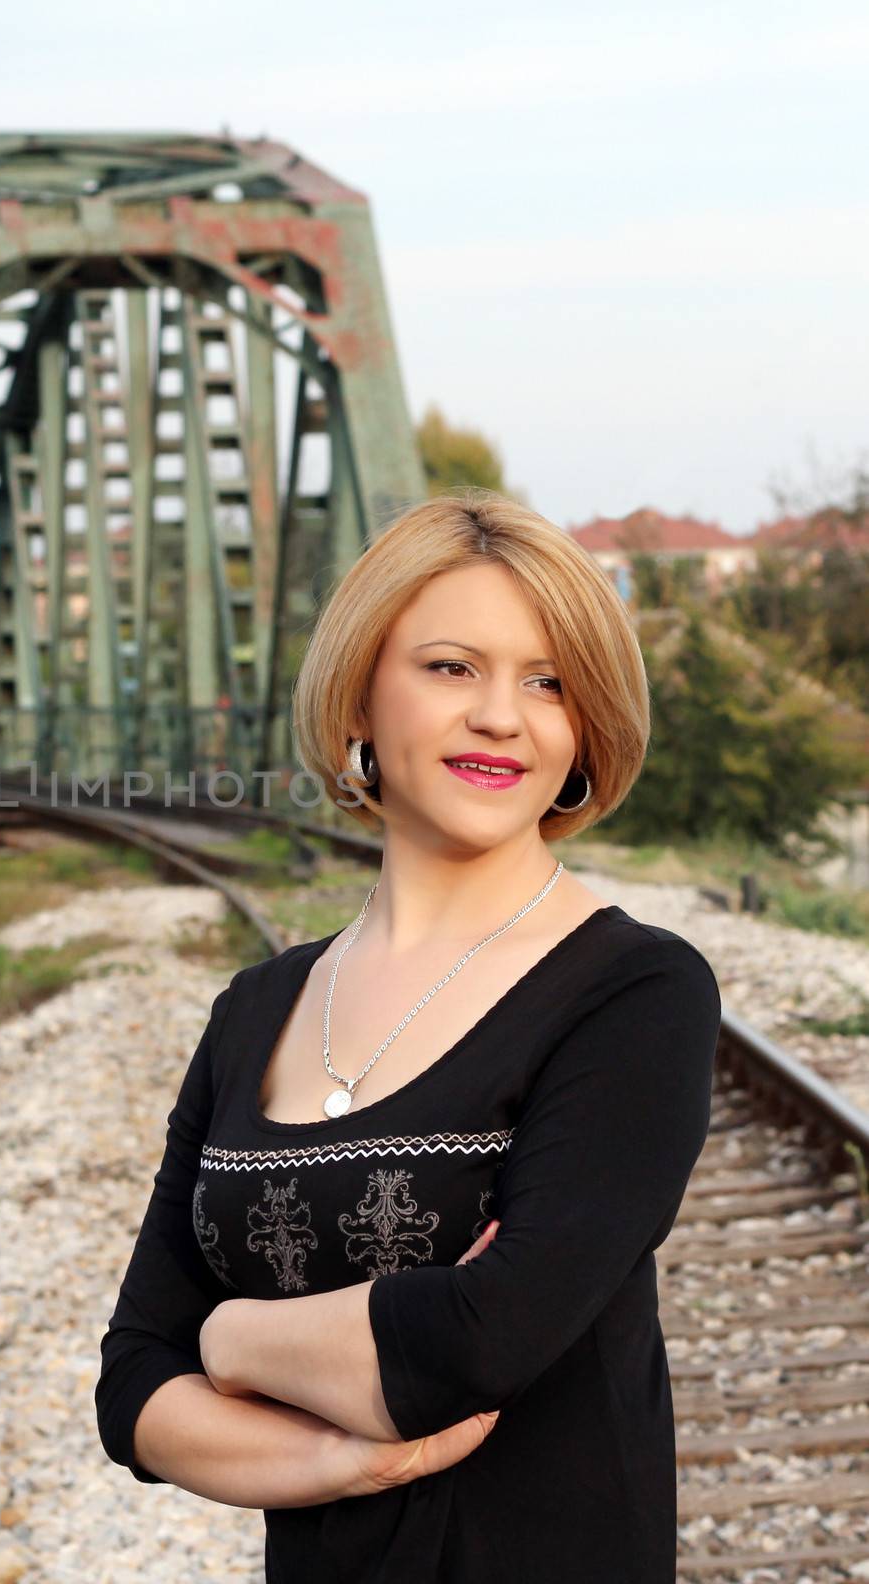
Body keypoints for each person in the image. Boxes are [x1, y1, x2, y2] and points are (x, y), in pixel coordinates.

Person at [94, 491, 722, 1582]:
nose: (501, 715)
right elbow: (133, 1388)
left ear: (583, 731)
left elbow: (485, 1336)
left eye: (549, 680)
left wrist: (232, 1340)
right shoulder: (256, 1010)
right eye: (449, 667)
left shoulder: (635, 991)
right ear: (360, 701)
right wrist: (344, 1461)